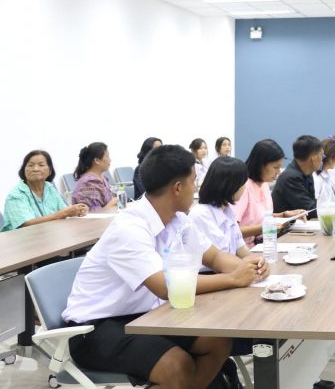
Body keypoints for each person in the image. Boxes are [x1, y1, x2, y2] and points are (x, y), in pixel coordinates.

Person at [62, 144, 268, 389]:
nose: (196, 188)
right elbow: (166, 286)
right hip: (95, 328)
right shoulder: (129, 228)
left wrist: (249, 267)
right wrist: (234, 278)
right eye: (193, 181)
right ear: (178, 188)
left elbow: (214, 257)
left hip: (146, 316)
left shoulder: (178, 219)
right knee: (176, 365)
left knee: (218, 341)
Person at [190, 157, 254, 271]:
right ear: (231, 186)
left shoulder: (227, 210)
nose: (245, 188)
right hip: (211, 276)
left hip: (228, 272)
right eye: (243, 183)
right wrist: (251, 266)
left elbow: (240, 248)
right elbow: (222, 260)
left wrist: (258, 262)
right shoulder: (201, 214)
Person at [235, 139, 302, 247]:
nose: (278, 172)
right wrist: (265, 227)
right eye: (275, 167)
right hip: (246, 250)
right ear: (260, 165)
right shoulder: (243, 187)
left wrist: (283, 215)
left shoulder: (264, 184)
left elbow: (257, 217)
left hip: (264, 245)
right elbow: (232, 231)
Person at [2, 150, 88, 231]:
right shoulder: (16, 194)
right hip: (23, 239)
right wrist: (63, 214)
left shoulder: (50, 188)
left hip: (49, 234)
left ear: (50, 170)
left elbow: (64, 210)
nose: (35, 169)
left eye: (41, 165)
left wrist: (78, 210)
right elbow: (25, 225)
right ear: (24, 170)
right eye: (30, 165)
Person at [273, 135, 335, 216]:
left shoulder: (306, 173)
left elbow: (314, 204)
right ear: (314, 158)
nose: (323, 159)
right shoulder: (291, 177)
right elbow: (310, 209)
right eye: (322, 155)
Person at [71, 142, 117, 211]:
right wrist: (113, 202)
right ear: (97, 160)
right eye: (107, 156)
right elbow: (93, 214)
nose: (110, 160)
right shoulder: (89, 183)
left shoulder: (102, 178)